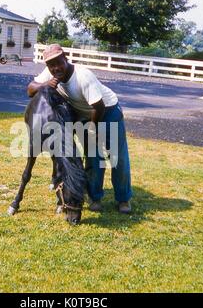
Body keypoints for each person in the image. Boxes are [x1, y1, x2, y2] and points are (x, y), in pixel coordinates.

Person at [27, 44, 133, 214]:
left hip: (108, 112)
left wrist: (92, 129)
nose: (55, 68)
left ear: (65, 59)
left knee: (116, 158)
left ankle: (123, 199)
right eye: (51, 65)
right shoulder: (51, 73)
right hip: (85, 115)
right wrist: (45, 84)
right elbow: (30, 90)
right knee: (93, 157)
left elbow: (99, 107)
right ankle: (95, 197)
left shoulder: (82, 76)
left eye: (58, 63)